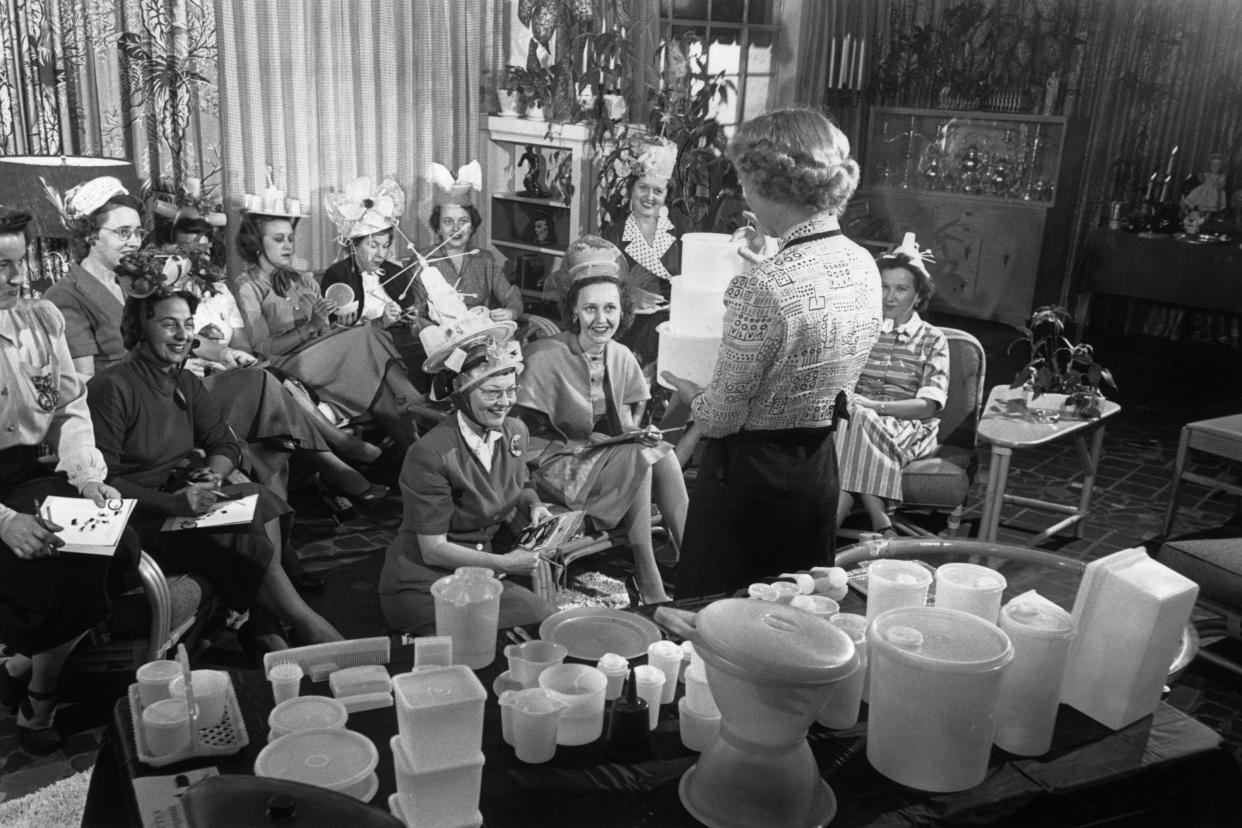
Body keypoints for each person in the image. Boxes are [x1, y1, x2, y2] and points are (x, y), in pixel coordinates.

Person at [662, 107, 882, 598]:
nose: (743, 192)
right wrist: (771, 263)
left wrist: (693, 394)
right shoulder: (863, 263)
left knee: (723, 619)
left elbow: (718, 419)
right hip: (818, 469)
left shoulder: (761, 286)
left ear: (769, 183)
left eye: (744, 179)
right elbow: (816, 329)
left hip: (751, 479)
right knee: (799, 612)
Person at [86, 289, 343, 653]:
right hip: (136, 517)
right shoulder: (112, 387)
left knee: (258, 498)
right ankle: (302, 624)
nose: (182, 335)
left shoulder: (184, 382)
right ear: (138, 328)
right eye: (168, 324)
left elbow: (223, 444)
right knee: (242, 527)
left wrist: (214, 474)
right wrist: (172, 504)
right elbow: (102, 482)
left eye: (188, 325)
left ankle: (266, 626)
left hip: (179, 499)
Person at [0, 205, 140, 755]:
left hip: (24, 472)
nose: (18, 279)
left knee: (119, 546)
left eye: (20, 263)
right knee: (58, 573)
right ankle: (41, 693)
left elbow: (67, 409)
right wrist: (6, 524)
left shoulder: (39, 321)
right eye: (1, 267)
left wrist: (85, 478)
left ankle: (20, 660)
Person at [515, 242, 687, 604]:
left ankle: (691, 556)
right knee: (638, 456)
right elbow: (521, 437)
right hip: (551, 463)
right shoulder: (544, 356)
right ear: (573, 312)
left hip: (598, 456)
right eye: (589, 308)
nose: (601, 319)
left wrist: (641, 434)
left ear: (622, 311)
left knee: (658, 453)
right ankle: (646, 570)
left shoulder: (621, 355)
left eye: (610, 308)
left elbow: (623, 426)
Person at [379, 335, 556, 635]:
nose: (505, 402)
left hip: (481, 573)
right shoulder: (430, 454)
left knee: (543, 619)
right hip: (424, 581)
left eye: (511, 390)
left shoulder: (515, 431)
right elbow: (433, 550)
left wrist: (535, 504)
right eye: (492, 393)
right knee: (482, 641)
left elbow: (519, 482)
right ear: (461, 394)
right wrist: (507, 564)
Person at [231, 200, 424, 449]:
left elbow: (326, 333)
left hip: (320, 358)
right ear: (257, 244)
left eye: (290, 238)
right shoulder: (247, 286)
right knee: (365, 337)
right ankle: (421, 406)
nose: (288, 245)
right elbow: (262, 350)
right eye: (279, 239)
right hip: (285, 366)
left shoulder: (303, 281)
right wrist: (310, 327)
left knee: (376, 375)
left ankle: (413, 451)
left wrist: (328, 325)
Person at [835, 237, 950, 536]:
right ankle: (882, 523)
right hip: (858, 422)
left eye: (901, 289)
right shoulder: (863, 328)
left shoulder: (932, 339)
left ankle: (829, 532)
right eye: (884, 287)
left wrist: (874, 406)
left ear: (918, 295)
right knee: (853, 423)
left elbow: (927, 405)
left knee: (857, 421)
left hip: (909, 426)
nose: (890, 297)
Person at [321, 176, 431, 390]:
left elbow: (408, 311)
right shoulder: (338, 276)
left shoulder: (395, 272)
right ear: (354, 245)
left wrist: (411, 318)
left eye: (385, 245)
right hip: (364, 355)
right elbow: (340, 334)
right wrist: (380, 323)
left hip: (403, 347)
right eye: (373, 245)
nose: (381, 254)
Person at [600, 136, 689, 364]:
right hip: (629, 321)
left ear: (666, 195)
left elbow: (694, 279)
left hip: (674, 321)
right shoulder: (614, 233)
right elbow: (603, 287)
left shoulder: (681, 227)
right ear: (632, 190)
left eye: (657, 191)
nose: (649, 197)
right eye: (643, 188)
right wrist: (629, 299)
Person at [421, 161, 523, 322]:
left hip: (482, 333)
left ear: (472, 227)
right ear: (438, 227)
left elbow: (511, 297)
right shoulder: (423, 261)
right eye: (448, 221)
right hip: (442, 339)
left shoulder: (485, 260)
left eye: (463, 221)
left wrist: (511, 312)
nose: (456, 229)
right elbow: (416, 316)